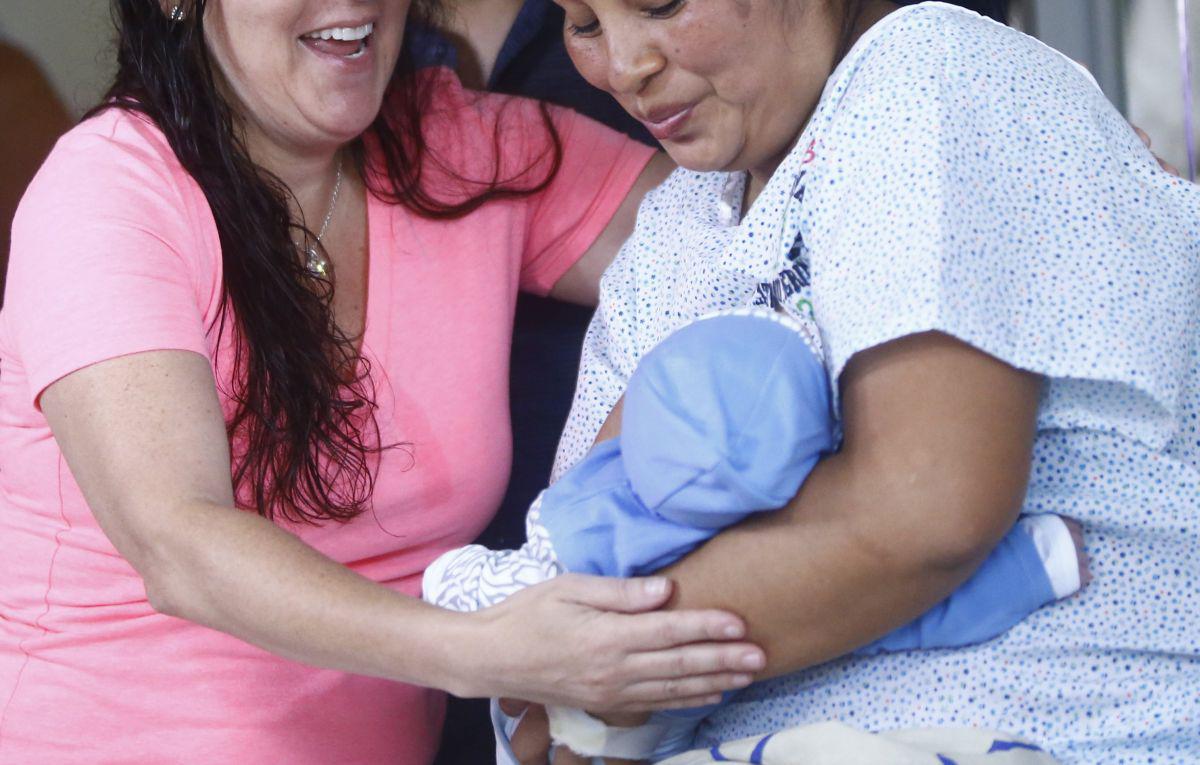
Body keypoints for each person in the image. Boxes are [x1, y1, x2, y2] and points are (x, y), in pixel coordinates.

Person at [0, 0, 770, 761]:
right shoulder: (106, 190)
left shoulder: (458, 144)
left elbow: (764, 241)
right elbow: (177, 545)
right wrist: (489, 650)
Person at [503, 0, 1200, 762]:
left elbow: (925, 507)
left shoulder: (928, 67)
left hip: (1066, 726)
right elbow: (564, 595)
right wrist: (562, 660)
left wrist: (582, 652)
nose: (624, 64)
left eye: (661, 3)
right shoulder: (674, 233)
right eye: (583, 24)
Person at [425, 307, 1085, 760]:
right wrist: (1035, 563)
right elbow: (913, 615)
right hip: (647, 698)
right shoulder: (804, 521)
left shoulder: (588, 507)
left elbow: (461, 591)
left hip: (638, 700)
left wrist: (459, 597)